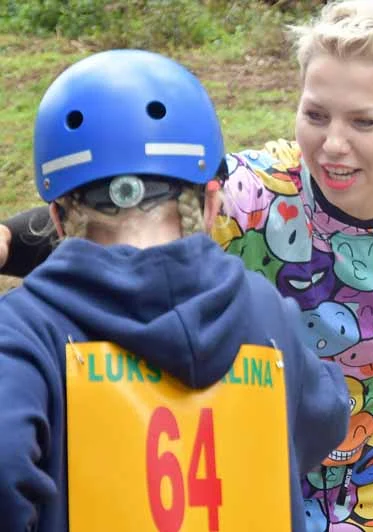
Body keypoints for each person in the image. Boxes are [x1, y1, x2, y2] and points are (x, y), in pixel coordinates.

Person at [0, 2, 373, 530]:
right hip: (258, 467)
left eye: (364, 121)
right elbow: (124, 203)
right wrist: (8, 237)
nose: (332, 144)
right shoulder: (253, 194)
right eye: (316, 114)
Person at [0, 49, 349, 532]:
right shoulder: (269, 315)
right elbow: (324, 422)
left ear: (57, 217)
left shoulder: (23, 332)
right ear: (210, 204)